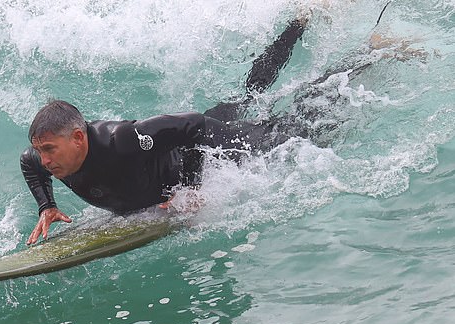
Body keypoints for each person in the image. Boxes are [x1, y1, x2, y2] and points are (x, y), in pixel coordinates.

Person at [21, 17, 312, 245]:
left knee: (304, 124)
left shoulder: (121, 141)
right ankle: (299, 23)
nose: (44, 160)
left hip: (218, 148)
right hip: (183, 139)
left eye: (49, 149)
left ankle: (334, 57)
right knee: (248, 96)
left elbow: (195, 125)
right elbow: (28, 162)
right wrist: (47, 206)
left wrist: (190, 187)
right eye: (40, 150)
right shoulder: (47, 158)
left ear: (77, 138)